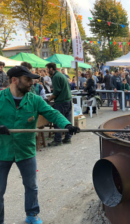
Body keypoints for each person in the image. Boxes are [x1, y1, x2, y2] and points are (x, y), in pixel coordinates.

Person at [0, 66, 79, 224]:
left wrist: (67, 124)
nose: (32, 82)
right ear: (14, 80)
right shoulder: (0, 98)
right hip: (3, 150)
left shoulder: (34, 99)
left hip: (26, 150)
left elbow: (53, 113)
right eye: (27, 79)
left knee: (31, 186)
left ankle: (32, 214)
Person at [46, 63, 73, 146]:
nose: (46, 71)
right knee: (67, 121)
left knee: (58, 120)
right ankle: (68, 138)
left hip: (61, 102)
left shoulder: (56, 76)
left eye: (47, 69)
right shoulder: (60, 75)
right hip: (68, 101)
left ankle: (58, 140)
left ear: (51, 69)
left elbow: (56, 91)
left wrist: (48, 99)